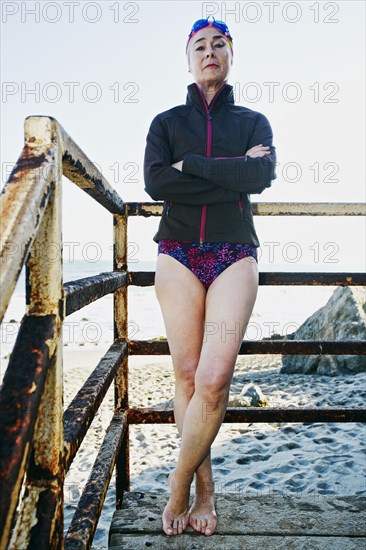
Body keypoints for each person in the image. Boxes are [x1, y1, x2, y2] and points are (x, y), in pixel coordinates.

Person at [143, 16, 277, 537]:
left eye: (218, 44)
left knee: (214, 379)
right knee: (185, 373)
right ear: (188, 58)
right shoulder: (165, 122)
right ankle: (203, 490)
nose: (209, 52)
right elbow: (157, 182)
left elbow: (261, 175)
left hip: (233, 253)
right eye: (199, 45)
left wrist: (191, 167)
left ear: (230, 55)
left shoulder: (254, 122)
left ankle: (177, 483)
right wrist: (227, 172)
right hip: (177, 252)